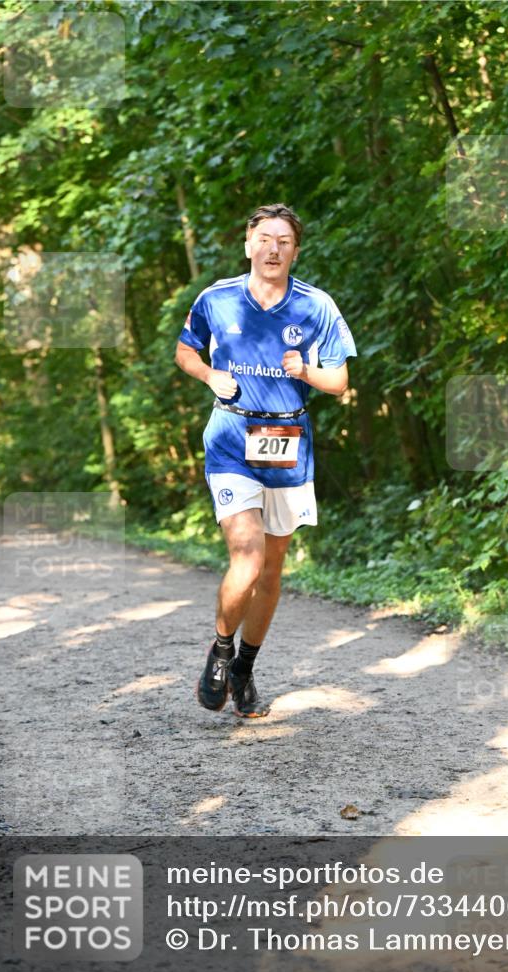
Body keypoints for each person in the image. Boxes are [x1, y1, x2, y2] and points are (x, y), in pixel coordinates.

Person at [175, 203, 356, 718]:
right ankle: (221, 650)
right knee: (248, 556)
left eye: (284, 241)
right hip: (232, 436)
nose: (273, 249)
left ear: (295, 251)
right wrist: (209, 375)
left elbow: (340, 382)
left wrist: (307, 371)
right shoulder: (216, 298)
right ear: (248, 245)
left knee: (272, 569)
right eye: (265, 239)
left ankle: (244, 668)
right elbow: (185, 352)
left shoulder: (316, 306)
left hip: (287, 441)